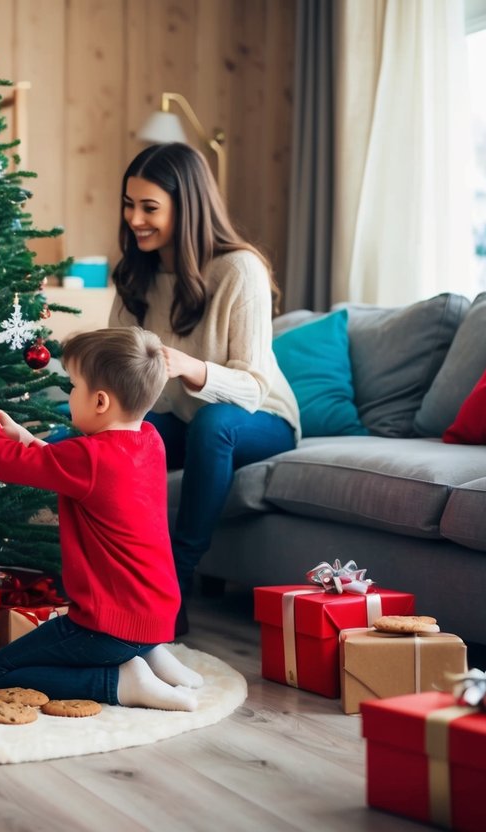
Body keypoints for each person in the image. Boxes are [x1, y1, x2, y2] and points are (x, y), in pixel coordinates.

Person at [0, 327, 203, 712]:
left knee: (1, 670)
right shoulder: (150, 441)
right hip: (156, 617)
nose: (69, 395)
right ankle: (151, 654)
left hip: (107, 629)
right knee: (126, 629)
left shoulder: (88, 458)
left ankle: (119, 680)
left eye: (73, 386)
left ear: (100, 401)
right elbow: (67, 469)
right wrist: (23, 435)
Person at [110, 143, 299, 633]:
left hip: (259, 419)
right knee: (122, 436)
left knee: (213, 424)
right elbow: (117, 365)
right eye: (129, 204)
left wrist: (191, 368)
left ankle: (177, 584)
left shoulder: (239, 269)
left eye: (149, 207)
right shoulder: (138, 272)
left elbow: (255, 386)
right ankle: (109, 582)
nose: (134, 218)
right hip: (182, 418)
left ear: (186, 206)